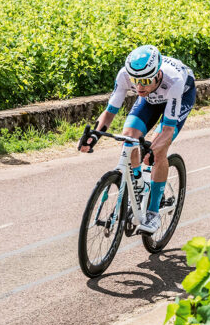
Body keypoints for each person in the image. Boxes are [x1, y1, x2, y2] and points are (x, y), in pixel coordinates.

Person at [81, 46, 196, 234]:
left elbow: (167, 129)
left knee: (158, 152)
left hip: (179, 97)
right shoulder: (125, 76)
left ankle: (153, 213)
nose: (139, 87)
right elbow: (110, 112)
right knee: (129, 137)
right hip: (151, 99)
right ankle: (138, 182)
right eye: (136, 81)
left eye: (144, 81)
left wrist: (153, 149)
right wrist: (94, 135)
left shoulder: (173, 80)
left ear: (157, 74)